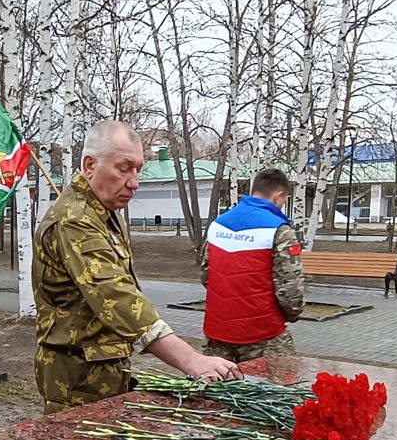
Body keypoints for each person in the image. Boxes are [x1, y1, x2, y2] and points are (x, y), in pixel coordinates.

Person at [33, 120, 242, 412]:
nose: (134, 182)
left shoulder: (105, 213)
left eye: (138, 169)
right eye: (124, 168)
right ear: (90, 165)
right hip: (76, 382)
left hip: (105, 371)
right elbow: (117, 297)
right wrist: (191, 360)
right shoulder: (75, 219)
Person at [200, 168, 305, 362]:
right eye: (284, 200)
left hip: (218, 332)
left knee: (218, 381)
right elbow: (289, 288)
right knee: (279, 378)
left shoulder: (218, 225)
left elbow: (206, 274)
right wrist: (293, 313)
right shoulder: (279, 230)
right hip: (263, 334)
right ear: (279, 195)